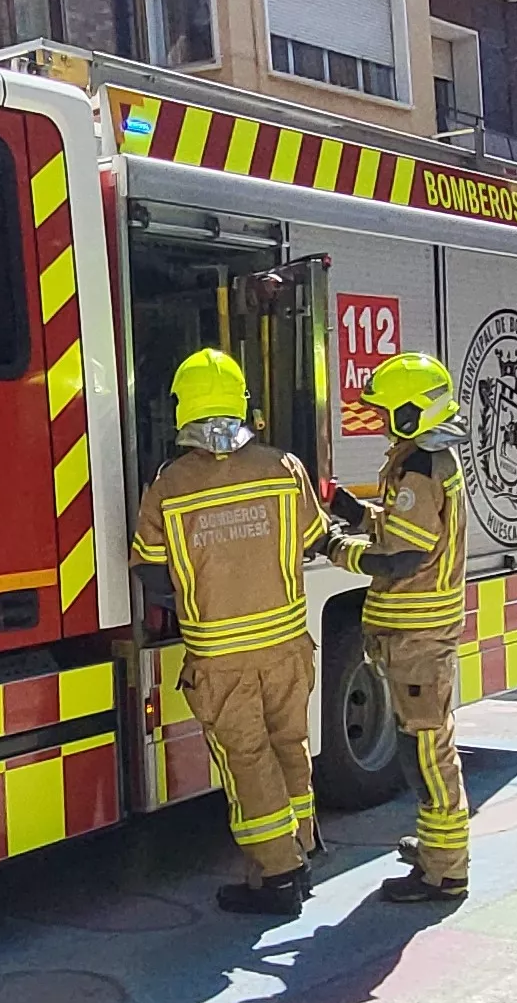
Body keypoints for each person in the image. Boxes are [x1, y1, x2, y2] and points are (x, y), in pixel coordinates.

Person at [130, 347, 353, 918]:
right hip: (286, 647)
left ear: (182, 409)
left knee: (247, 760)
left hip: (221, 657)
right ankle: (300, 850)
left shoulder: (169, 486)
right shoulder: (283, 468)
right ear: (241, 404)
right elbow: (312, 539)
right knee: (290, 748)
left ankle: (276, 878)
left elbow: (152, 571)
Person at [345, 353, 470, 906]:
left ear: (412, 412)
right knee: (423, 745)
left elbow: (400, 559)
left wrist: (340, 551)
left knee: (426, 751)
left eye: (387, 411)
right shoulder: (424, 460)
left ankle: (443, 873)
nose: (379, 419)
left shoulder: (422, 468)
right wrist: (350, 511)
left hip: (417, 638)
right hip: (416, 635)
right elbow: (402, 529)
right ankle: (436, 852)